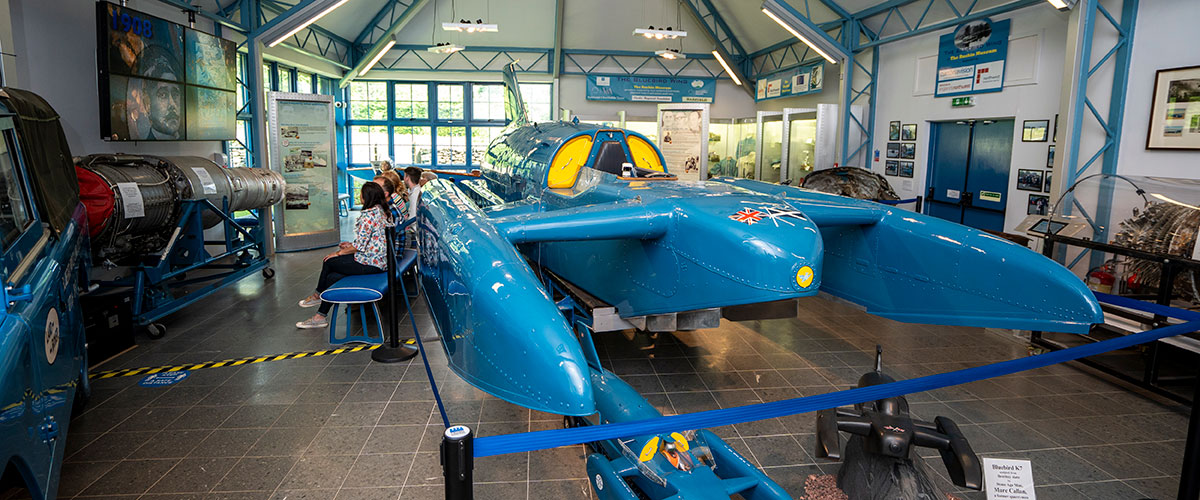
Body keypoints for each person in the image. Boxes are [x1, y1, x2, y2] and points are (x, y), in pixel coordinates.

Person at [296, 182, 393, 329]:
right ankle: (319, 317)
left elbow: (359, 246)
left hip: (371, 263)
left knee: (329, 261)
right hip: (380, 261)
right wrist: (350, 245)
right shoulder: (381, 211)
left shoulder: (368, 216)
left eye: (361, 194)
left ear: (366, 197)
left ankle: (317, 296)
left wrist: (339, 252)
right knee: (332, 278)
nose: (359, 196)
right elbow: (371, 240)